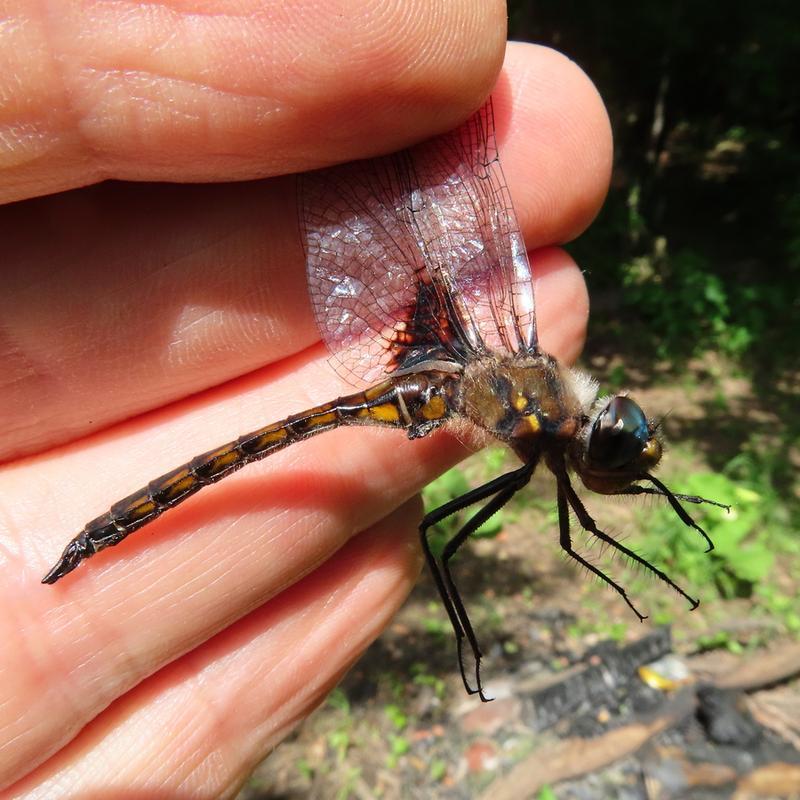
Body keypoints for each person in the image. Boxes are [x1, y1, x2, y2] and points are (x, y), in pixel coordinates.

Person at [0, 1, 611, 795]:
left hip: (442, 374)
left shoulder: (536, 394)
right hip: (435, 378)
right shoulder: (541, 410)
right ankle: (100, 535)